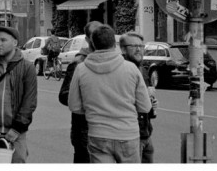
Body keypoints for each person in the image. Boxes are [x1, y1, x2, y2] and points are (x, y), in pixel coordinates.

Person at [67, 24, 151, 163]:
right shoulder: (131, 69)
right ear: (114, 44)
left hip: (98, 134)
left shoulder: (81, 69)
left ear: (93, 44)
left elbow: (74, 106)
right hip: (128, 134)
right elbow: (145, 107)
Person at [0, 25, 38, 163]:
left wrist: (17, 129)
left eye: (3, 40)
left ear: (15, 43)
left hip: (16, 135)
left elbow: (29, 101)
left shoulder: (27, 68)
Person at [59, 21, 103, 163]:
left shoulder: (111, 60)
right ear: (87, 39)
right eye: (94, 35)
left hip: (107, 129)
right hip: (84, 130)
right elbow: (64, 95)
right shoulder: (79, 62)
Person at [119, 32, 157, 163]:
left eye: (141, 46)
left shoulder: (143, 70)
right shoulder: (119, 70)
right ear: (123, 49)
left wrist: (152, 106)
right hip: (130, 135)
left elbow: (146, 101)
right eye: (134, 46)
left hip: (146, 132)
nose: (138, 49)